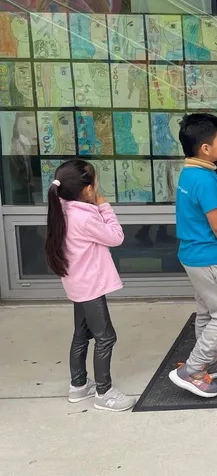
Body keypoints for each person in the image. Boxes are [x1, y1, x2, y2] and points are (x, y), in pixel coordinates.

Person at [45, 159, 136, 411]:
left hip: (77, 284)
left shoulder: (62, 209)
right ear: (87, 190)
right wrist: (104, 207)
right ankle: (104, 393)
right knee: (106, 337)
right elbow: (116, 237)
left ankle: (79, 385)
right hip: (90, 286)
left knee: (81, 334)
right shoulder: (83, 218)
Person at [169, 113, 217, 398]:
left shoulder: (189, 173)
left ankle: (208, 360)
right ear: (205, 149)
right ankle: (194, 369)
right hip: (210, 257)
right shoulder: (205, 180)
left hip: (193, 255)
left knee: (208, 311)